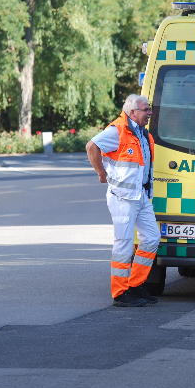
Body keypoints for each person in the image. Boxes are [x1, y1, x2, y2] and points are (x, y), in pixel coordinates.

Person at [86, 94, 160, 307]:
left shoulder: (143, 134)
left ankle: (136, 285)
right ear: (133, 112)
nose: (150, 113)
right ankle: (120, 293)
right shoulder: (117, 130)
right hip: (123, 198)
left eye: (149, 109)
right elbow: (92, 147)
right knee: (124, 244)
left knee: (152, 238)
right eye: (146, 109)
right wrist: (101, 173)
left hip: (141, 196)